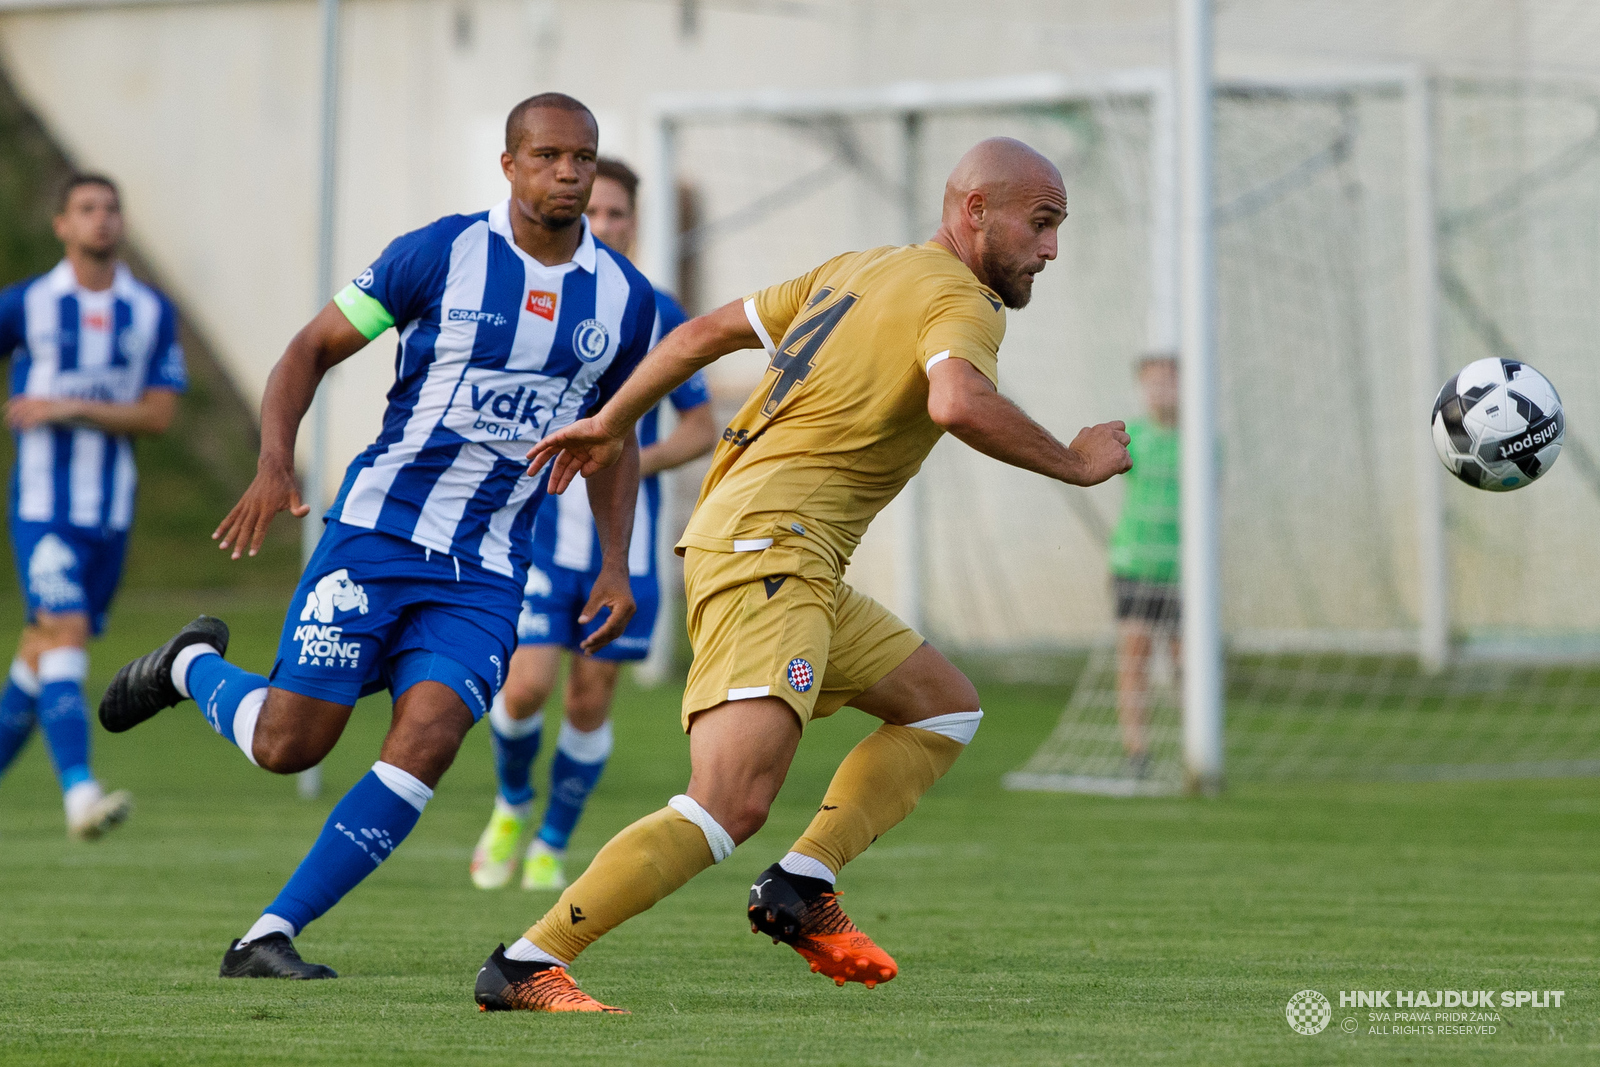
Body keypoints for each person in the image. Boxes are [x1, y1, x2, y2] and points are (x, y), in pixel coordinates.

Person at [471, 136, 1133, 1014]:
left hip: (788, 553)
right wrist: (1073, 463)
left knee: (943, 705)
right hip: (770, 552)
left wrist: (609, 420)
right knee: (726, 802)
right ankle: (527, 962)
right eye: (1040, 223)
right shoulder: (963, 298)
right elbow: (957, 401)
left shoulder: (859, 269)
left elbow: (704, 333)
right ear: (975, 211)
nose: (1050, 248)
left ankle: (801, 883)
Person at [96, 93, 655, 980]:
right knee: (290, 745)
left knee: (429, 734)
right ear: (508, 165)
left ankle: (266, 934)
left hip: (488, 569)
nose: (568, 173)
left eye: (583, 157)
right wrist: (275, 459)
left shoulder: (625, 302)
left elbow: (612, 438)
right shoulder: (439, 254)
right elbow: (308, 349)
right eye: (548, 155)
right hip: (378, 536)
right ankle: (185, 666)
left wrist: (617, 563)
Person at [471, 157, 717, 893]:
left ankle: (552, 839)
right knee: (522, 689)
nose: (605, 225)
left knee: (589, 696)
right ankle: (513, 801)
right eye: (596, 213)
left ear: (633, 224)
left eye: (618, 215)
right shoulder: (536, 293)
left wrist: (625, 457)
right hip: (540, 529)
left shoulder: (655, 309)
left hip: (624, 538)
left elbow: (700, 426)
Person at [0, 175, 184, 839]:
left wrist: (69, 406)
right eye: (86, 209)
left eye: (110, 208)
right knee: (65, 631)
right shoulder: (26, 305)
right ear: (61, 226)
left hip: (109, 513)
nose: (100, 220)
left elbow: (159, 415)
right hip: (44, 509)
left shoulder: (151, 310)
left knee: (38, 651)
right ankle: (81, 794)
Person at [1109, 354, 1180, 778]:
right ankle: (1137, 750)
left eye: (1169, 382)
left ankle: (1197, 741)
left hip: (1182, 570)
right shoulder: (1131, 435)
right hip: (1134, 562)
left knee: (1186, 660)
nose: (1161, 391)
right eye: (1152, 383)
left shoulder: (1200, 439)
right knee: (1135, 658)